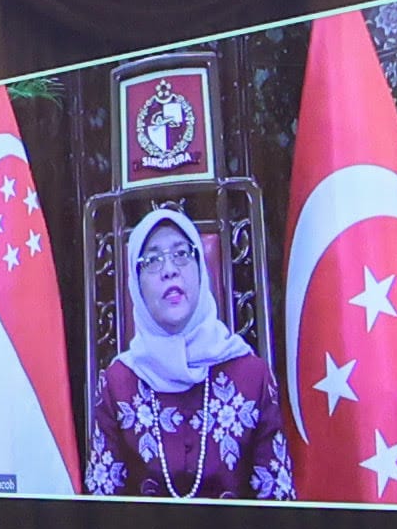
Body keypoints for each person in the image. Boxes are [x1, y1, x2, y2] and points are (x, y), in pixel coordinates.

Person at [85, 202, 292, 500]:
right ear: (136, 286)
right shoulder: (118, 383)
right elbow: (101, 508)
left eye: (181, 255)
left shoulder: (252, 375)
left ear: (201, 271)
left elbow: (278, 504)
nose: (169, 271)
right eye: (153, 260)